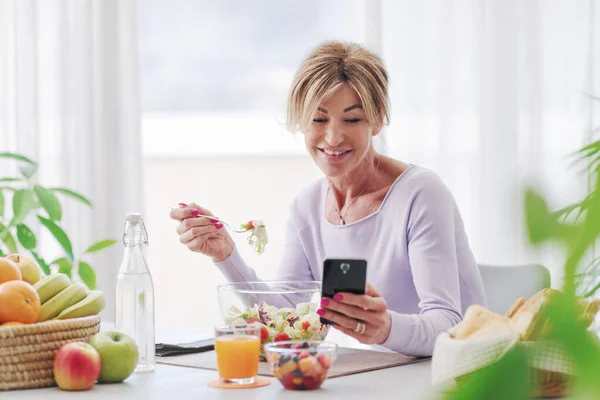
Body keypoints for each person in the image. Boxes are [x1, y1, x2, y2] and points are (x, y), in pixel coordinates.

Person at [169, 41, 486, 357]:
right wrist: (226, 255)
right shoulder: (307, 206)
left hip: (457, 373)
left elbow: (449, 325)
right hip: (377, 374)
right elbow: (287, 314)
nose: (333, 137)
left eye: (352, 119)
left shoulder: (421, 195)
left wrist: (384, 328)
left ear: (377, 120)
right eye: (319, 120)